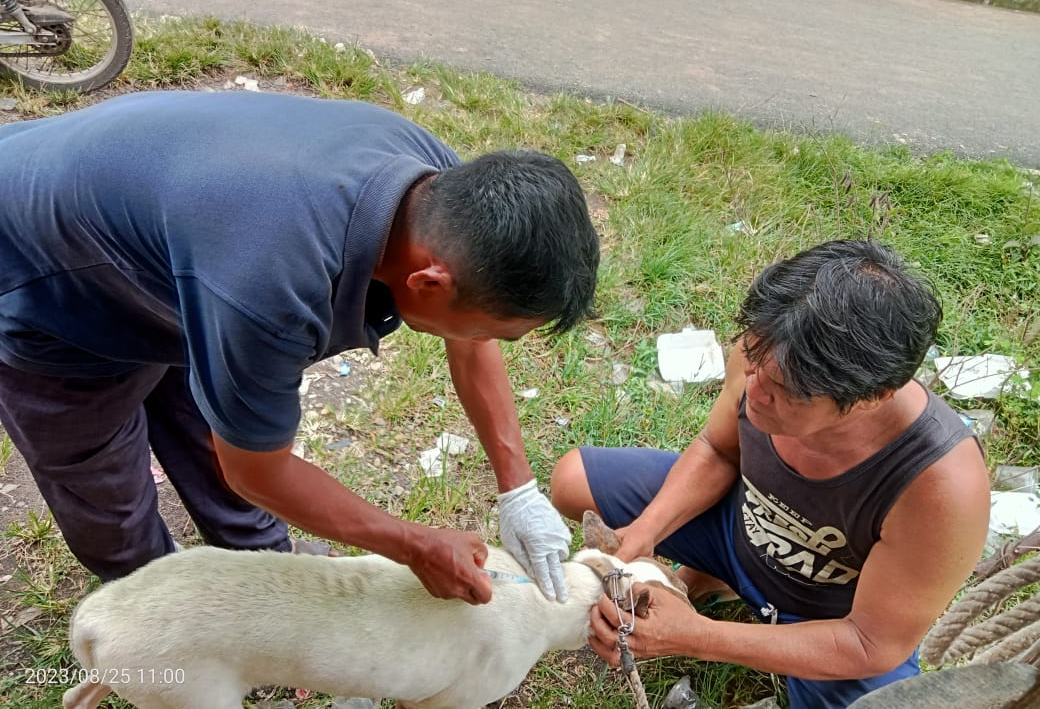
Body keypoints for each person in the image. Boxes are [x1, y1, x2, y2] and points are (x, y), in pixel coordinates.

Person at [0, 90, 599, 605]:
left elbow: (466, 340)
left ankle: (260, 563)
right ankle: (155, 596)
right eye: (494, 330)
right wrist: (412, 545)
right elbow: (257, 470)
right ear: (428, 282)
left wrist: (516, 487)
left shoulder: (443, 192)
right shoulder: (274, 291)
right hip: (40, 270)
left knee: (219, 416)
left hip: (167, 247)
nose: (487, 343)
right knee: (103, 479)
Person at [551, 239, 991, 708]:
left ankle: (725, 597)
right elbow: (718, 451)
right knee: (574, 480)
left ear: (872, 396)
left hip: (825, 618)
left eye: (787, 393)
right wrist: (644, 534)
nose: (754, 390)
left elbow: (870, 643)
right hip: (739, 529)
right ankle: (712, 577)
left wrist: (699, 637)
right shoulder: (772, 351)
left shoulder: (941, 486)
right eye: (754, 361)